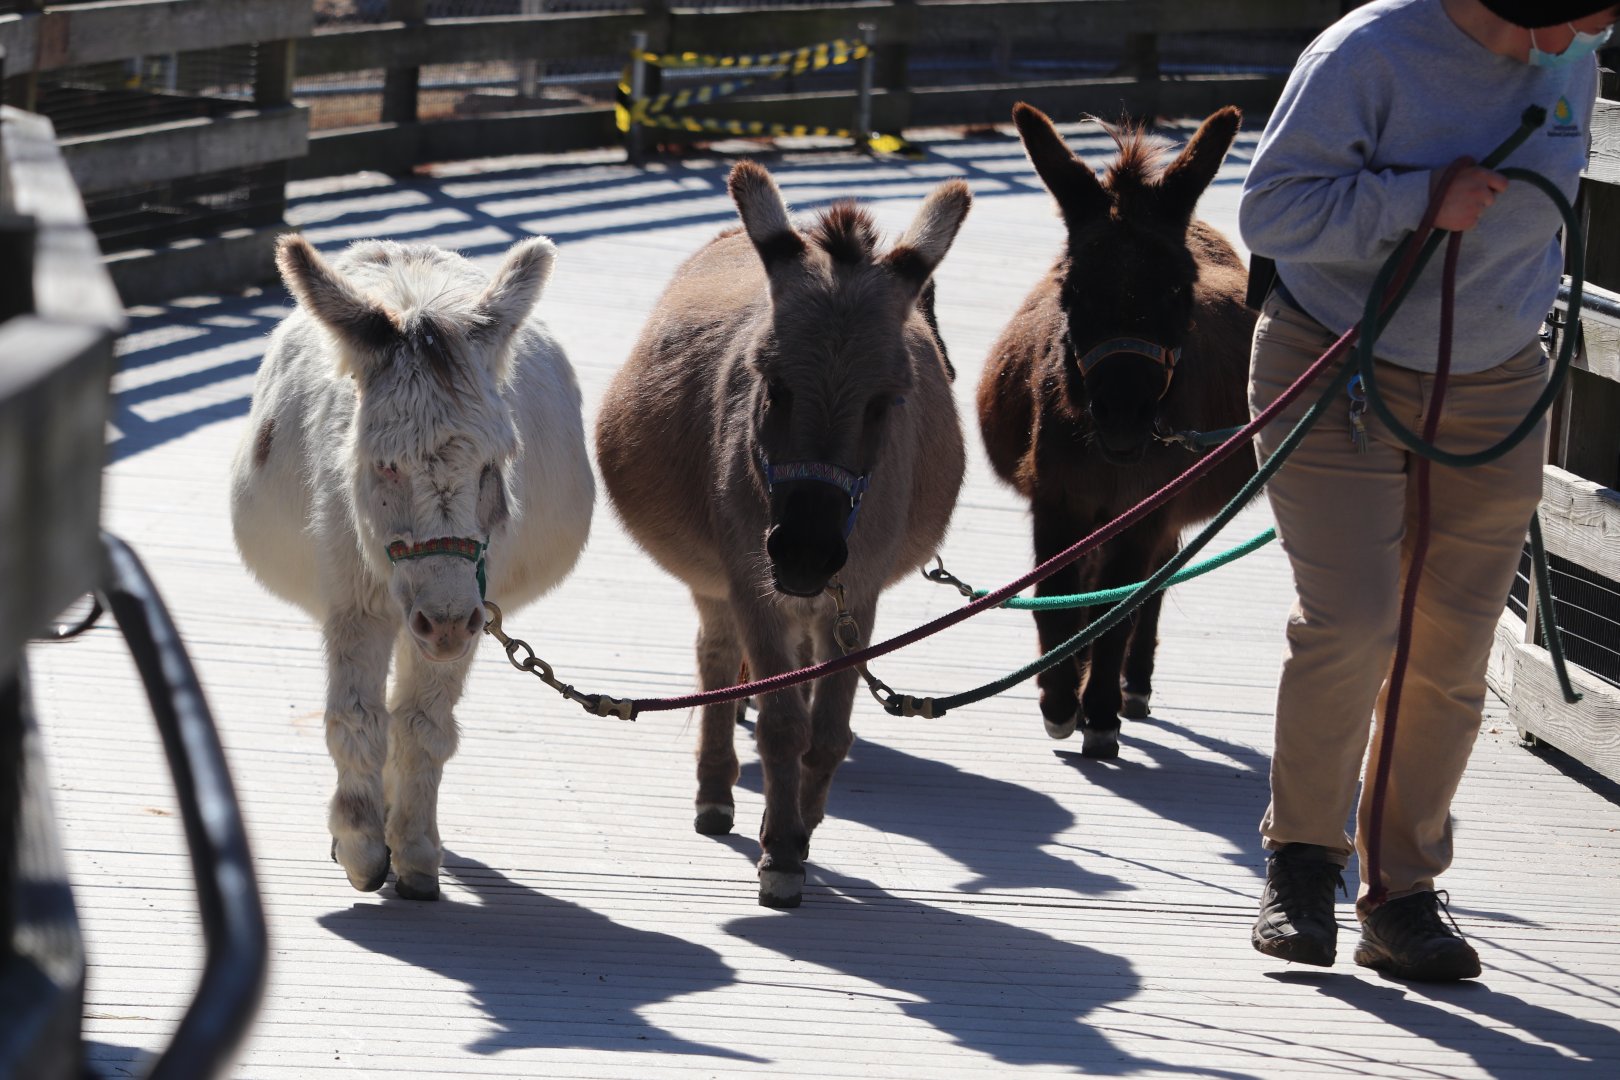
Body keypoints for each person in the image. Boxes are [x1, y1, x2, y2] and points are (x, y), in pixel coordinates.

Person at [1238, 0, 1619, 982]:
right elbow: (1271, 210)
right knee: (1355, 620)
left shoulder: (1569, 58)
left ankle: (1402, 895)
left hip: (1493, 380)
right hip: (1335, 357)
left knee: (1452, 644)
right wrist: (1414, 199)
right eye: (1586, 12)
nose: (1597, 34)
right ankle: (1304, 863)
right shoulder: (1370, 53)